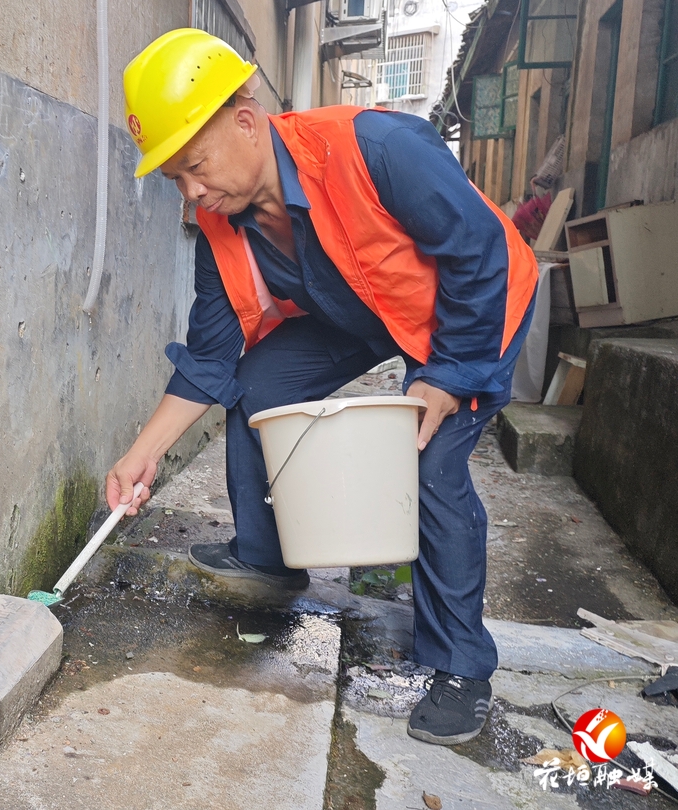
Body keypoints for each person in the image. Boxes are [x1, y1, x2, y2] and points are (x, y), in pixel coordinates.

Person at [106, 28, 537, 746]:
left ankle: (461, 667)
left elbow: (477, 251)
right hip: (358, 310)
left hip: (467, 310)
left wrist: (449, 374)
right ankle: (269, 556)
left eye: (195, 166)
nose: (192, 190)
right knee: (258, 383)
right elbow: (212, 357)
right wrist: (142, 452)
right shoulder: (220, 221)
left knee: (426, 461)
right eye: (174, 178)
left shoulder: (377, 146)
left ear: (246, 122)